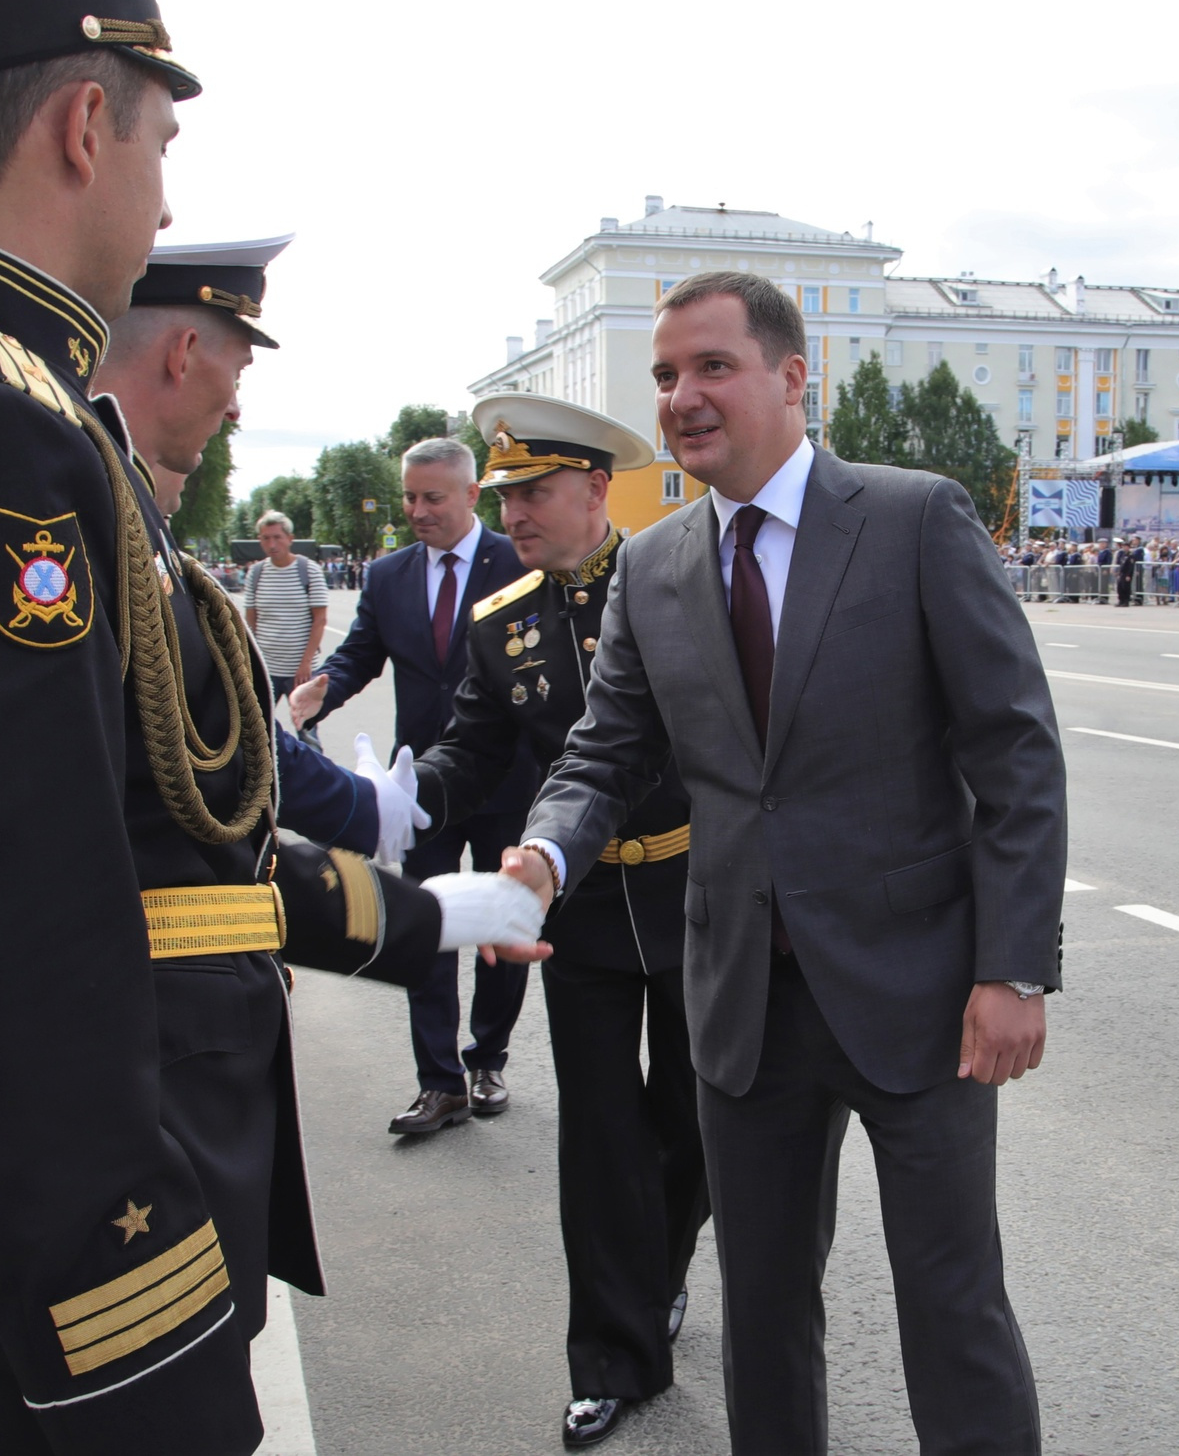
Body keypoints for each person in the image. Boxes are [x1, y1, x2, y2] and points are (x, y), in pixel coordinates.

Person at [0, 0, 543, 1452]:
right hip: (52, 1257)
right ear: (83, 122)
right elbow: (22, 925)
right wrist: (136, 1322)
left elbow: (164, 836)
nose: (165, 204)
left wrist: (430, 917)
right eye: (163, 148)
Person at [499, 270, 1063, 1456]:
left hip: (921, 999)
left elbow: (1013, 755)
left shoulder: (914, 520)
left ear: (792, 377)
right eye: (664, 376)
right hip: (744, 1008)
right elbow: (604, 752)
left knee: (951, 1308)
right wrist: (542, 857)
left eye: (712, 367)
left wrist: (1013, 967)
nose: (683, 398)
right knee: (761, 1315)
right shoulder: (652, 571)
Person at [412, 394, 707, 1449]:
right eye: (505, 497)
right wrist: (403, 795)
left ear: (595, 489)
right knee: (598, 1136)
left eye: (533, 492)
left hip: (689, 899)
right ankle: (613, 1356)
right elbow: (475, 750)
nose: (514, 514)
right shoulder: (507, 623)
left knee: (690, 1121)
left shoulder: (683, 586)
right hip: (575, 917)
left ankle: (663, 1267)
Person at [94, 230, 421, 867]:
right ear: (183, 353)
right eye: (239, 370)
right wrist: (362, 813)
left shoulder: (116, 496)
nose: (237, 408)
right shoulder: (99, 503)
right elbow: (202, 732)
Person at [300, 433, 538, 1134]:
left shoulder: (517, 561)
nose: (418, 510)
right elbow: (358, 656)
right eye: (409, 496)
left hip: (505, 780)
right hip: (420, 789)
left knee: (500, 921)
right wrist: (320, 693)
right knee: (427, 922)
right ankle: (439, 1083)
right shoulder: (388, 575)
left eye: (433, 496)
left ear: (470, 494)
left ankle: (487, 1056)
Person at [241, 510, 325, 723]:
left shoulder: (309, 570)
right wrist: (249, 658)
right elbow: (251, 620)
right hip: (265, 667)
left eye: (277, 537)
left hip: (301, 670)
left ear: (290, 539)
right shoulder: (256, 573)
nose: (272, 544)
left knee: (306, 728)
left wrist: (306, 663)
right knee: (256, 727)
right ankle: (266, 758)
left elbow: (320, 620)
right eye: (266, 538)